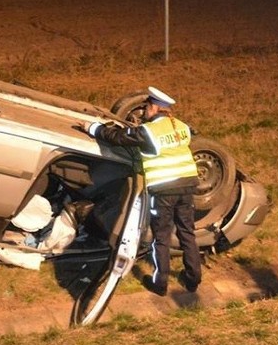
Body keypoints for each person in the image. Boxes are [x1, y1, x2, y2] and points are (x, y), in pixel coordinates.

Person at [80, 86, 202, 296]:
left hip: (164, 190)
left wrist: (92, 128)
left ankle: (160, 283)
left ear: (154, 108)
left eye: (146, 107)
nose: (144, 111)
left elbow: (117, 137)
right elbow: (189, 133)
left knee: (161, 237)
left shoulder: (148, 132)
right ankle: (193, 280)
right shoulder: (181, 126)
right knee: (187, 233)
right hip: (187, 185)